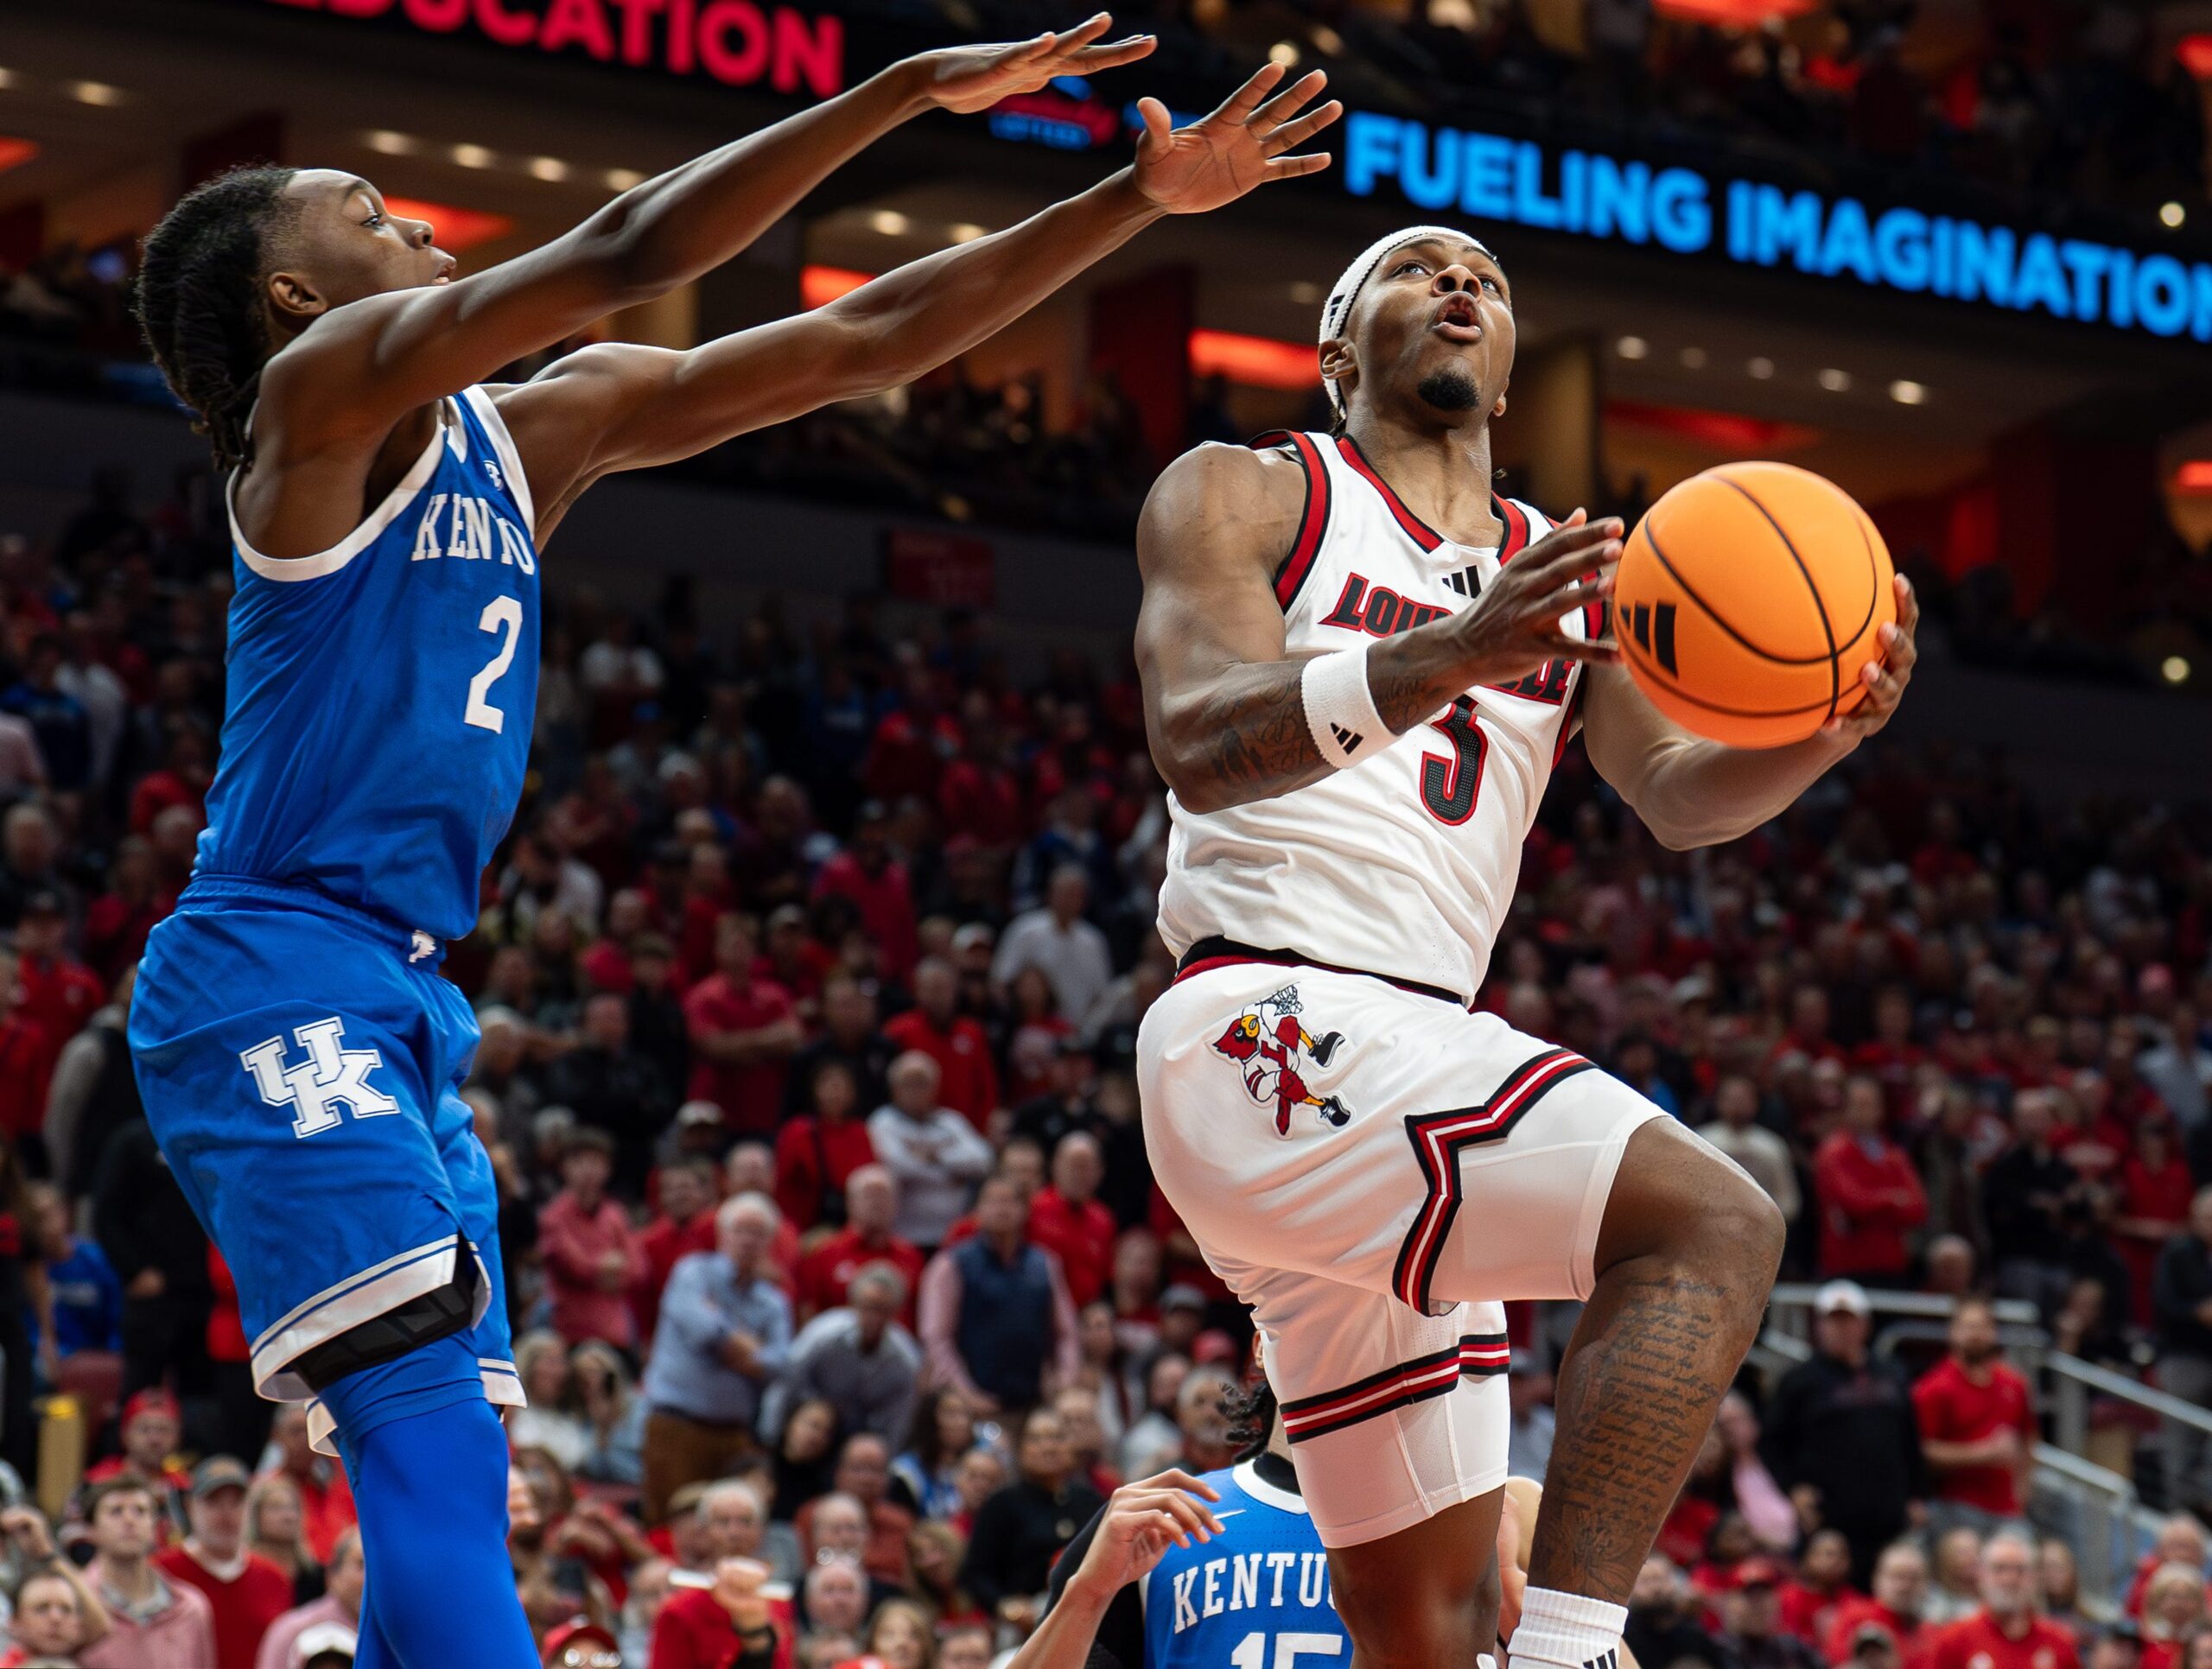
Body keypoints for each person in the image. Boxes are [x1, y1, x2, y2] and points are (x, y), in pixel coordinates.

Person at [124, 26, 1334, 1664]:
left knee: (456, 1463)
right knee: (423, 1427)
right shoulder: (316, 401)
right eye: (364, 211)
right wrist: (901, 93)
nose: (410, 220)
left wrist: (1131, 198)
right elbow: (632, 247)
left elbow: (868, 338)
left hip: (402, 989)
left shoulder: (534, 433)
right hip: (271, 967)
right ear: (292, 295)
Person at [1131, 219, 1916, 1669]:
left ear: (1506, 371)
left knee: (1423, 1628)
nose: (1460, 286)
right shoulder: (1253, 488)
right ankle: (1573, 1652)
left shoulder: (1568, 573)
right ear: (1335, 345)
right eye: (1418, 268)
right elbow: (1193, 735)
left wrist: (1824, 733)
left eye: (1487, 282)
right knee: (1716, 1224)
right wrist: (1455, 651)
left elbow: (1675, 797)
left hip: (1385, 1084)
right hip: (1263, 1018)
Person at [639, 1192, 794, 1524]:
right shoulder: (692, 1272)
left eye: (758, 1233)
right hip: (677, 1425)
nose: (748, 1240)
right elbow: (704, 1332)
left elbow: (779, 1364)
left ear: (770, 1242)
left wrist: (724, 1334)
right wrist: (751, 1347)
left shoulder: (773, 1301)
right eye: (741, 1230)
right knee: (671, 1526)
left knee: (730, 1529)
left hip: (734, 1435)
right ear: (723, 1234)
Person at [1763, 1282, 1928, 1585]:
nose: (1841, 1329)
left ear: (1865, 1325)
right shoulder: (1800, 1382)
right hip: (1830, 1517)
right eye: (1833, 1321)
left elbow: (1910, 1439)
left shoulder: (1892, 1374)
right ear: (1819, 1326)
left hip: (1888, 1515)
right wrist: (1793, 1488)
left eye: (1848, 1320)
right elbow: (1772, 1443)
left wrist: (1917, 1495)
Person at [919, 1174, 1083, 1413]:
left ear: (1025, 1210)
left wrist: (1064, 1381)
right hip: (971, 1407)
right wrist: (965, 1393)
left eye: (1010, 1201)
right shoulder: (951, 1265)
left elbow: (1066, 1333)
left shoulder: (1045, 1264)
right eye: (993, 1201)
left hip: (1034, 1404)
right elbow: (936, 1338)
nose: (1002, 1209)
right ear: (978, 1209)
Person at [962, 1407, 1109, 1634]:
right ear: (1020, 1449)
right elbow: (976, 1573)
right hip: (1024, 1623)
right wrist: (1006, 1607)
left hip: (1089, 1616)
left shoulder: (1090, 1501)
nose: (1048, 1447)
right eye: (1036, 1439)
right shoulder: (1002, 1504)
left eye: (1057, 1438)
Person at [154, 1458, 296, 1669]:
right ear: (190, 1507)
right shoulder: (162, 1572)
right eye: (214, 1502)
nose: (226, 1514)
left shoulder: (274, 1579)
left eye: (236, 1502)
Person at [1913, 1297, 2036, 1532]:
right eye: (1968, 1327)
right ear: (1952, 1332)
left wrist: (2023, 1490)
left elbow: (2028, 1436)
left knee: (2030, 1550)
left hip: (2007, 1509)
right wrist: (1982, 1453)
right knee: (1963, 1547)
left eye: (1983, 1327)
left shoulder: (2015, 1384)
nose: (1976, 1335)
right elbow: (1921, 1452)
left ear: (1994, 1332)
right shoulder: (1933, 1388)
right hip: (1953, 1505)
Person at [769, 1265, 923, 1445]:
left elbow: (899, 1418)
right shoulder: (823, 1336)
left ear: (895, 1312)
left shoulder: (905, 1359)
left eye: (882, 1309)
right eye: (868, 1306)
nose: (874, 1316)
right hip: (810, 1422)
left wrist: (886, 1455)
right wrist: (771, 1437)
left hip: (862, 1437)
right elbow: (787, 1383)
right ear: (853, 1304)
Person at [77, 1478, 218, 1669]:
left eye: (140, 1511)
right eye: (116, 1511)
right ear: (91, 1530)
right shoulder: (74, 1604)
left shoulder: (190, 1609)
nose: (129, 1520)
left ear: (155, 1528)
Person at [868, 1052, 995, 1251]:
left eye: (922, 1084)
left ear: (935, 1088)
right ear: (894, 1089)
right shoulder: (884, 1121)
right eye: (909, 1084)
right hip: (904, 1234)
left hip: (952, 1233)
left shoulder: (951, 1122)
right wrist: (953, 1173)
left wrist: (934, 1155)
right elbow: (900, 1165)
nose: (916, 1091)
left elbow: (983, 1159)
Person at [537, 1127, 644, 1350]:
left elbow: (637, 1270)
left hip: (614, 1332)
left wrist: (598, 1270)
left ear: (608, 1169)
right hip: (570, 1334)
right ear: (564, 1167)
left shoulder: (616, 1214)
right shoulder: (553, 1216)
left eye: (595, 1162)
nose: (588, 1170)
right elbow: (573, 1266)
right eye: (579, 1161)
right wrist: (607, 1265)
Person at [1928, 1532, 2080, 1669]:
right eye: (1999, 1569)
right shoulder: (1954, 1641)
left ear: (2034, 1577)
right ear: (1981, 1575)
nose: (2010, 1579)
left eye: (2020, 1569)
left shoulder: (2059, 1641)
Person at [795, 1166, 925, 1325]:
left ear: (896, 1204)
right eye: (869, 1195)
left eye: (883, 1196)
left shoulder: (911, 1256)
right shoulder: (825, 1253)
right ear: (850, 1202)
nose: (876, 1203)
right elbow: (808, 1312)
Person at [2153, 1189, 2212, 1507]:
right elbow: (2164, 1304)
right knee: (2180, 1442)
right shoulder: (2177, 1253)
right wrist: (2197, 1312)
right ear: (2194, 1219)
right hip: (2184, 1357)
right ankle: (2177, 1516)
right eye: (2208, 1217)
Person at [1826, 1542, 1936, 1669]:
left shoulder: (1932, 1633)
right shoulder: (1854, 1619)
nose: (1905, 1586)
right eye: (1897, 1577)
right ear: (1877, 1579)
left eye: (1914, 1578)